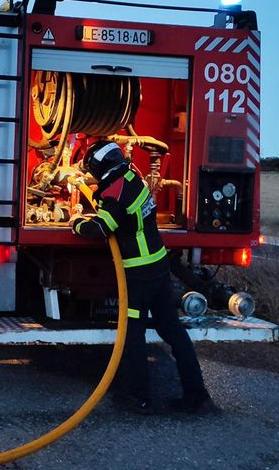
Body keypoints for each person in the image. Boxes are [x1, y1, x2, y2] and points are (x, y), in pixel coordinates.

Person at [70, 140, 210, 414]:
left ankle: (140, 399)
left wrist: (76, 220)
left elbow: (101, 228)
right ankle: (196, 394)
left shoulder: (116, 192)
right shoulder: (133, 178)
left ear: (102, 168)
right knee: (172, 330)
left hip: (139, 274)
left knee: (132, 335)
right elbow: (118, 208)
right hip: (158, 266)